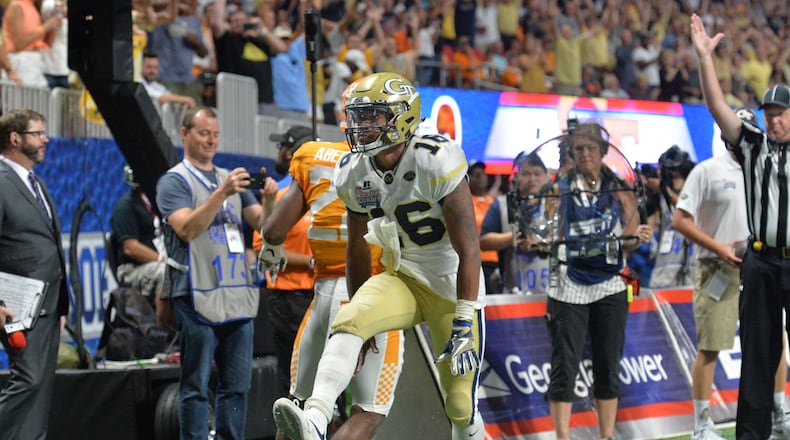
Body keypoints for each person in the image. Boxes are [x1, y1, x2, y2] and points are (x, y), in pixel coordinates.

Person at [270, 72, 486, 440]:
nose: (361, 126)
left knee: (460, 405)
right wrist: (362, 316)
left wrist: (466, 316)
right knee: (350, 318)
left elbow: (469, 248)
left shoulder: (436, 158)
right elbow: (356, 247)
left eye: (372, 116)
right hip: (402, 274)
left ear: (401, 117)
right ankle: (316, 418)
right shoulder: (354, 170)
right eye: (358, 116)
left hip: (450, 284)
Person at [260, 119, 405, 440]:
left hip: (321, 298)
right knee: (368, 410)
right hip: (368, 292)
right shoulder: (402, 161)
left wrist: (270, 247)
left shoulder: (313, 155)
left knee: (297, 409)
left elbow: (272, 231)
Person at [691, 13, 790, 439]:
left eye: (781, 113)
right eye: (769, 113)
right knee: (757, 354)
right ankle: (752, 435)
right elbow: (717, 107)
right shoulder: (752, 144)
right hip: (762, 262)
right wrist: (704, 59)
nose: (773, 120)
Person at [155, 105, 277, 439]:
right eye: (203, 133)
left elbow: (264, 225)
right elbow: (187, 230)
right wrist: (221, 193)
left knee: (237, 386)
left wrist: (268, 200)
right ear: (184, 134)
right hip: (196, 293)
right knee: (195, 385)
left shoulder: (230, 178)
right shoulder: (174, 181)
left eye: (216, 135)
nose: (211, 141)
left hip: (237, 292)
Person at [672, 108, 790, 440]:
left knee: (773, 343)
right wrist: (720, 247)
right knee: (711, 345)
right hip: (717, 268)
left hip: (760, 268)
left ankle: (778, 413)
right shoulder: (707, 170)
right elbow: (680, 220)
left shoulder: (765, 166)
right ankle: (701, 423)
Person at [543, 122, 652, 440]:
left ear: (604, 150)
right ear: (572, 153)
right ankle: (562, 436)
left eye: (591, 148)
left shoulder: (619, 187)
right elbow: (549, 233)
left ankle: (606, 436)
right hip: (568, 285)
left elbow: (630, 238)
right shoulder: (559, 187)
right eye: (579, 148)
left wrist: (638, 237)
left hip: (611, 284)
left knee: (608, 364)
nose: (585, 153)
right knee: (565, 366)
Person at [0, 109, 69, 438]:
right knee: (28, 379)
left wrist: (61, 306)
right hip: (15, 305)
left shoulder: (34, 181)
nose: (45, 139)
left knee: (41, 384)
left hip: (47, 304)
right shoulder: (1, 180)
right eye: (37, 134)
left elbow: (48, 244)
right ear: (15, 139)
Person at [252, 125, 316, 399]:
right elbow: (263, 252)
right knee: (292, 375)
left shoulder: (328, 197)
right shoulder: (278, 198)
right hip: (288, 299)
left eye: (281, 147)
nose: (277, 153)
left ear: (292, 153)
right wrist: (312, 262)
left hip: (324, 295)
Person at [480, 152, 550, 294]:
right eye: (526, 174)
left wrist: (543, 243)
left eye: (537, 174)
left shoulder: (555, 202)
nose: (532, 179)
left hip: (553, 293)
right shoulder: (502, 205)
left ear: (546, 176)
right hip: (513, 294)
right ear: (515, 177)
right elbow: (483, 241)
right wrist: (514, 238)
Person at [110, 165, 170, 323]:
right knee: (167, 273)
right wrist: (163, 259)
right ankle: (162, 331)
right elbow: (130, 248)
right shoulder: (126, 207)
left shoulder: (156, 204)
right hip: (132, 270)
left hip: (154, 265)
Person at [649, 145, 697, 288]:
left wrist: (666, 191)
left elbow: (687, 210)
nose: (673, 174)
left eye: (677, 172)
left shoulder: (698, 193)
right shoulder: (661, 198)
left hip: (692, 274)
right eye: (669, 172)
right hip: (664, 277)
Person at [2, 0, 63, 88]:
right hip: (21, 63)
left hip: (37, 63)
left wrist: (54, 24)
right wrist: (44, 28)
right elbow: (19, 44)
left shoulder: (33, 7)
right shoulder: (16, 6)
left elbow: (47, 44)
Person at [468, 160, 500, 294]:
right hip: (476, 263)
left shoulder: (494, 203)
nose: (481, 177)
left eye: (483, 173)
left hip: (498, 263)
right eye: (476, 174)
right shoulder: (466, 203)